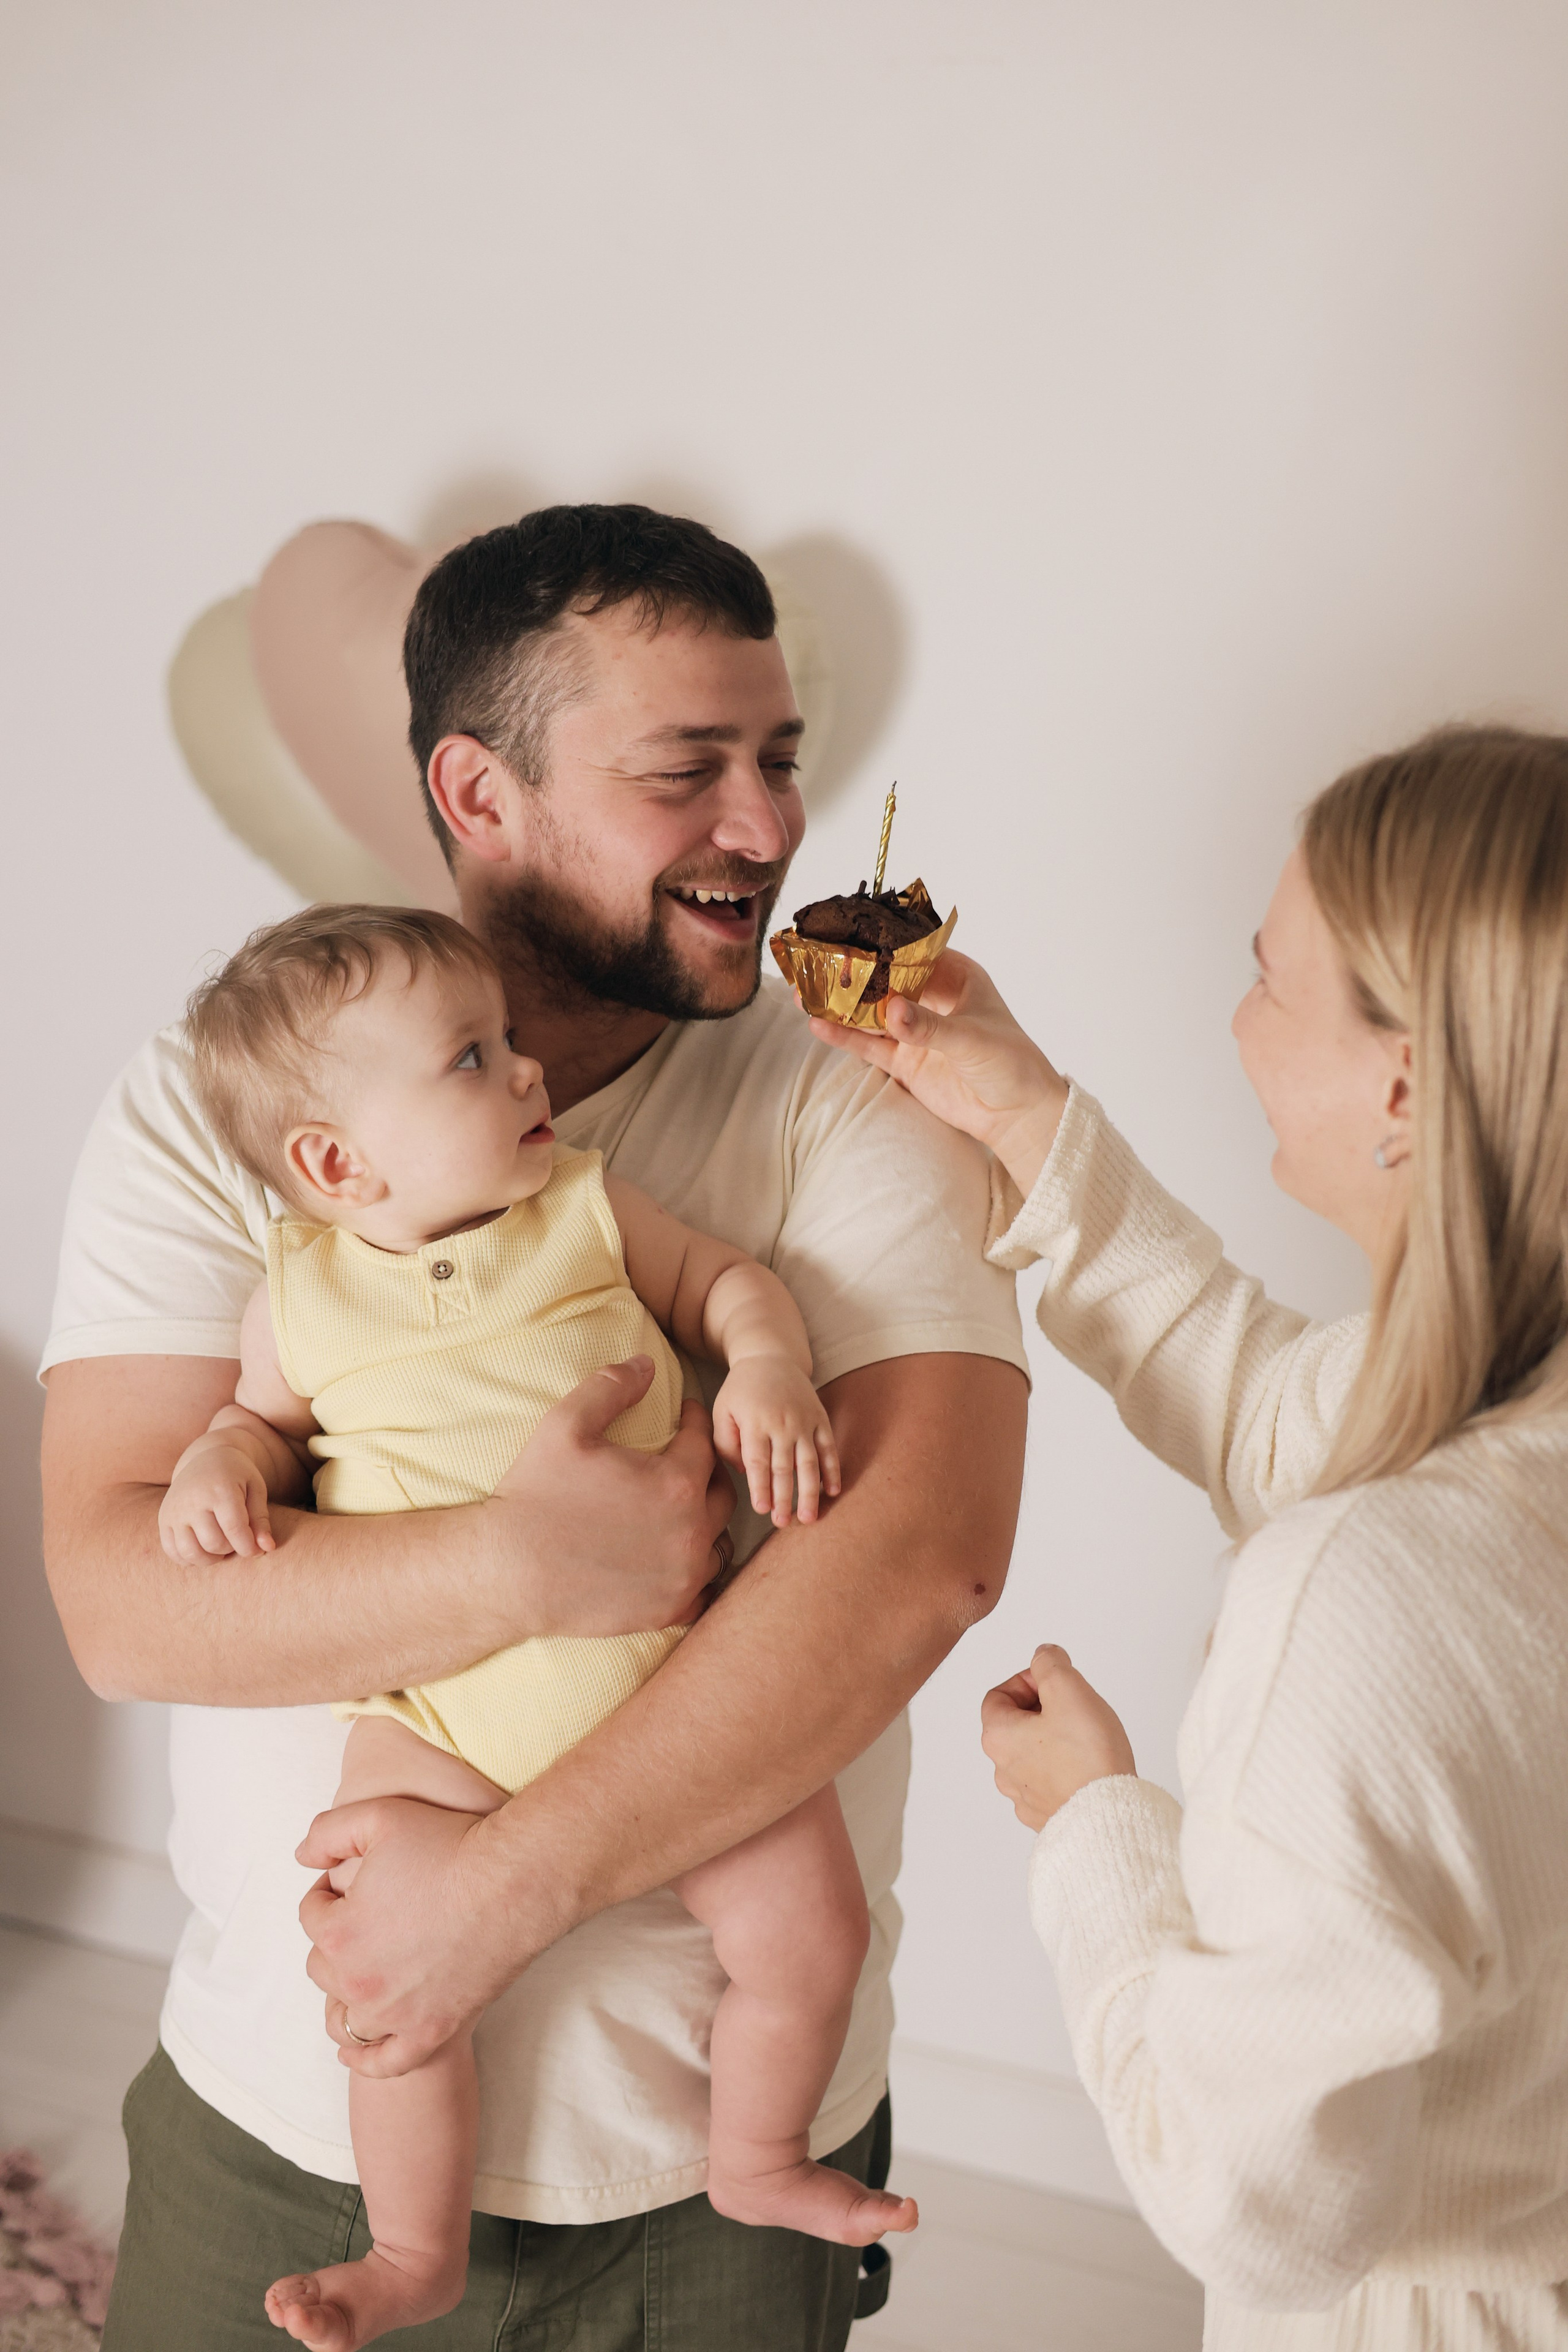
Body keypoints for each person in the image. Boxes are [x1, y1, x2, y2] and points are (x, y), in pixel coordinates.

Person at [41, 503, 1028, 2350]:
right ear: (478, 796)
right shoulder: (228, 1104)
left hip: (700, 2175)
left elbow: (922, 1558)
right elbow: (126, 1604)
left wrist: (487, 1898)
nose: (770, 827)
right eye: (689, 770)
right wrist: (518, 1562)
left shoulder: (848, 1100)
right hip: (294, 2107)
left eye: (783, 758)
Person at [813, 722, 1568, 2350]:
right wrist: (1026, 1116)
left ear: (1407, 1084)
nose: (1236, 1016)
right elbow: (1264, 1405)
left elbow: (1250, 2201)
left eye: (1264, 974)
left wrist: (1097, 1828)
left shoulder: (1366, 1596)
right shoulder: (1504, 1430)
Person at [157, 900, 914, 2348]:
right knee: (388, 1992)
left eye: (506, 1043)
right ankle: (411, 2252)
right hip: (435, 1721)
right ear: (334, 1162)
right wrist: (218, 1467)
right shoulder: (301, 1297)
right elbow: (258, 1425)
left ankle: (755, 2161)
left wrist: (763, 1368)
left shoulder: (580, 1201)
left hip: (673, 1684)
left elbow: (726, 1284)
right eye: (470, 1058)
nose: (524, 1075)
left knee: (811, 1928)